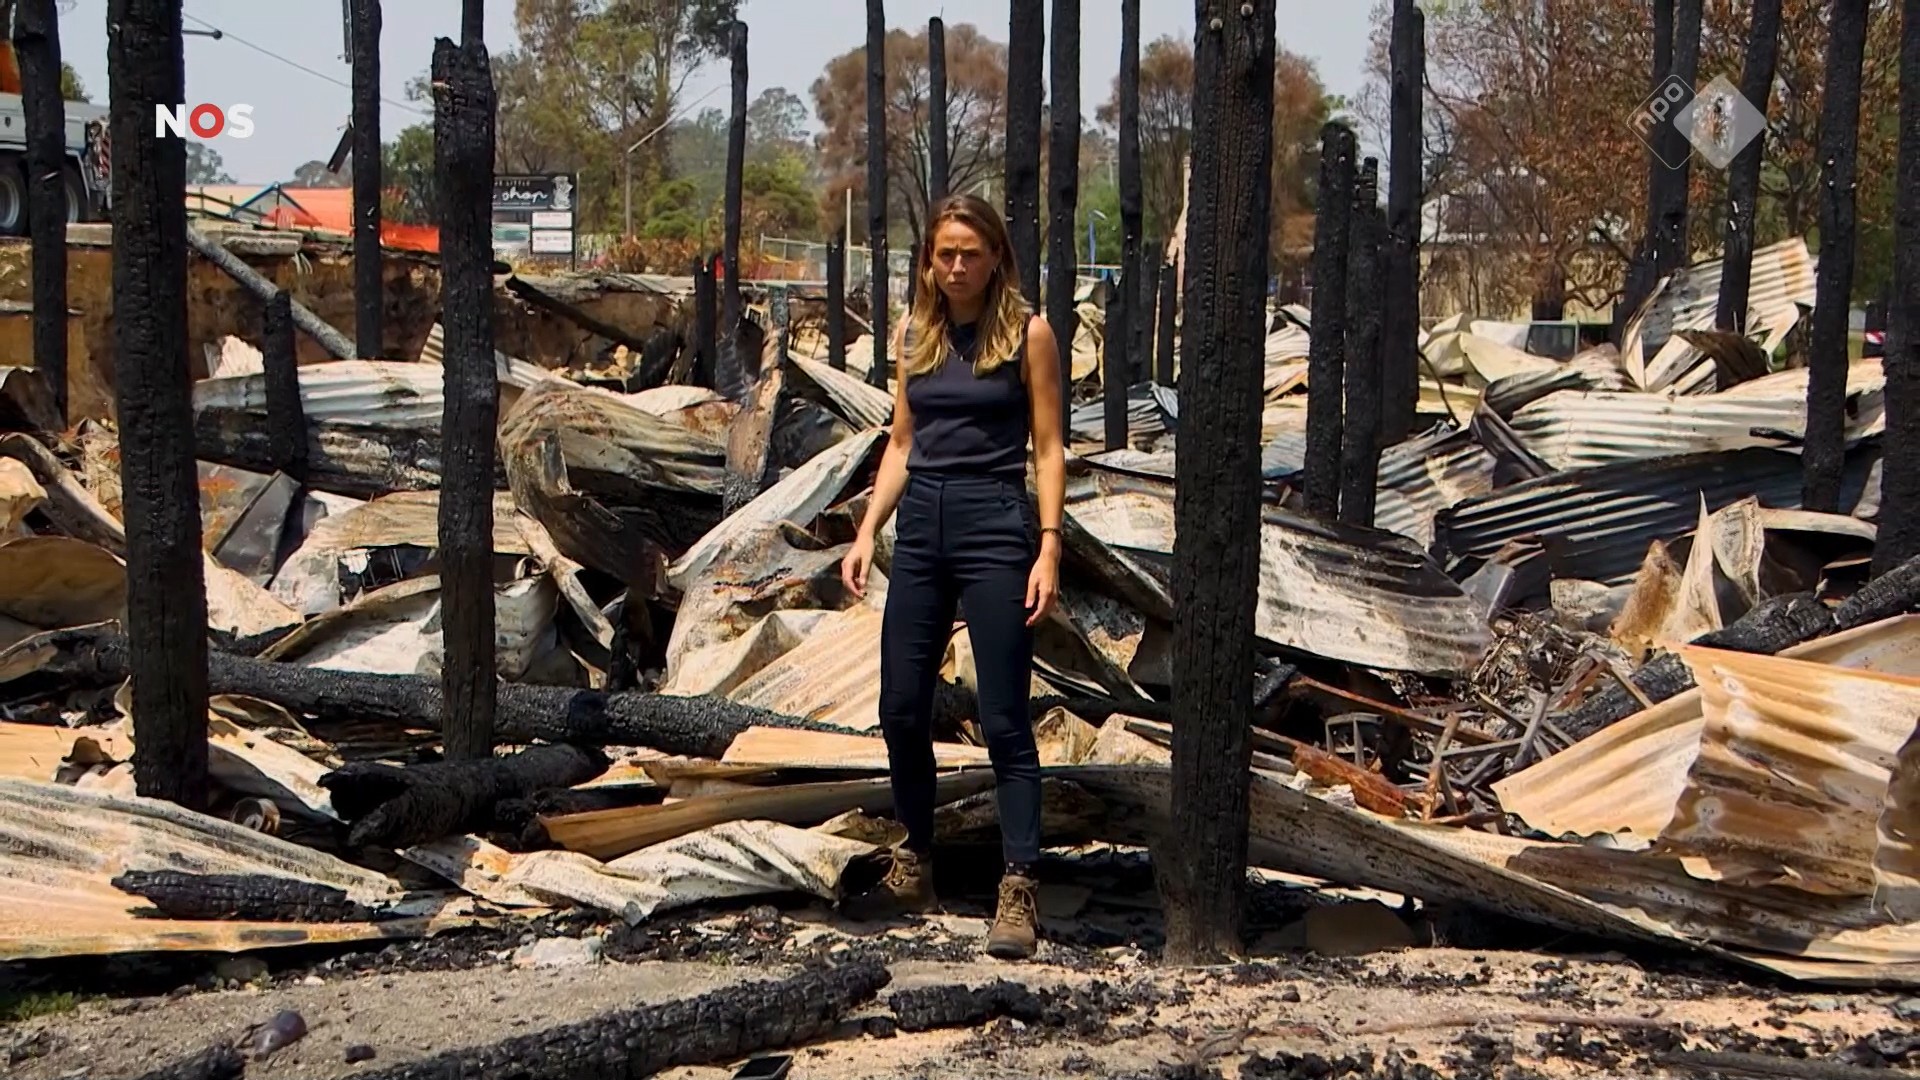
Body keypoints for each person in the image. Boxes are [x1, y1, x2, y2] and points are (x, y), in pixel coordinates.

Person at [839, 193, 1067, 960]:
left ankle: (1019, 884)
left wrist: (1049, 545)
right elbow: (902, 442)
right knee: (901, 707)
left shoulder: (1029, 333)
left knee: (1003, 716)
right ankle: (915, 861)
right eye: (946, 254)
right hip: (922, 525)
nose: (959, 266)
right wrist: (867, 530)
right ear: (930, 263)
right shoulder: (916, 333)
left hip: (994, 523)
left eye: (972, 252)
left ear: (996, 257)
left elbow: (1048, 448)